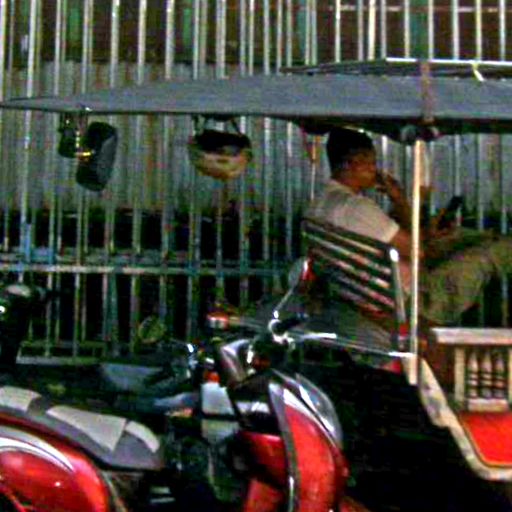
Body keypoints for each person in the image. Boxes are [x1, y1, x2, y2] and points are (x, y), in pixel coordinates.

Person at [307, 127, 512, 325]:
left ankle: (494, 241)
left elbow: (400, 239)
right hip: (414, 299)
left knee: (471, 239)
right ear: (353, 163)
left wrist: (426, 232)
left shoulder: (322, 201)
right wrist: (400, 200)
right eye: (371, 163)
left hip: (365, 288)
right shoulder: (357, 208)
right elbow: (417, 251)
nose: (375, 170)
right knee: (492, 254)